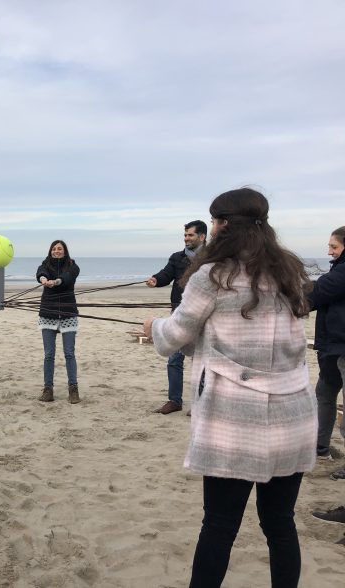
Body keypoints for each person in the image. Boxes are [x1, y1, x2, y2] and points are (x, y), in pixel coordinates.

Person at [143, 188, 316, 587]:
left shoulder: (212, 276)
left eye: (214, 221)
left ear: (222, 226)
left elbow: (175, 335)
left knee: (219, 525)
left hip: (235, 418)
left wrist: (153, 326)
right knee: (280, 524)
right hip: (294, 413)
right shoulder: (288, 271)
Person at [146, 220, 207, 414]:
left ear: (202, 236)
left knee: (201, 361)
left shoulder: (212, 258)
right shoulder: (177, 257)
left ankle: (200, 403)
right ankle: (174, 401)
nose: (186, 238)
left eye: (190, 235)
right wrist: (156, 280)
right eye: (185, 235)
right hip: (179, 313)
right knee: (174, 358)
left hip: (205, 316)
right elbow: (166, 275)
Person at [308, 226, 345, 480]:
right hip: (331, 346)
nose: (328, 251)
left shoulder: (342, 271)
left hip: (341, 346)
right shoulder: (337, 269)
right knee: (324, 394)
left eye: (334, 247)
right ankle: (320, 446)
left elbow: (318, 292)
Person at [36, 240, 81, 403]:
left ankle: (73, 389)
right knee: (49, 355)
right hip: (48, 313)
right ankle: (48, 390)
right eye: (54, 249)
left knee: (69, 353)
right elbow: (41, 272)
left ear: (65, 251)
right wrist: (43, 279)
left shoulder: (73, 265)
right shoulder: (45, 264)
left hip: (68, 314)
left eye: (59, 249)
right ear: (50, 251)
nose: (57, 251)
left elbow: (67, 278)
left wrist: (56, 282)